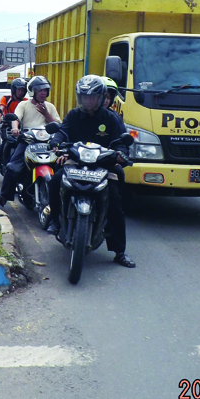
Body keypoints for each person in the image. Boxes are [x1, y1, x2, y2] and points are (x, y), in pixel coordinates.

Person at [48, 74, 135, 268]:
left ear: (101, 97)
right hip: (76, 162)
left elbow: (121, 141)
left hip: (103, 165)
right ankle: (55, 220)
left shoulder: (111, 118)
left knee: (115, 201)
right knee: (55, 181)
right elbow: (63, 131)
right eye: (84, 97)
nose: (88, 101)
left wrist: (121, 154)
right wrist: (56, 142)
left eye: (92, 97)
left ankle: (119, 251)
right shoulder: (73, 115)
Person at [0, 75, 60, 206]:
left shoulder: (50, 107)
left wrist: (46, 114)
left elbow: (58, 124)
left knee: (59, 168)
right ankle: (3, 197)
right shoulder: (23, 104)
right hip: (28, 141)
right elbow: (15, 118)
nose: (43, 93)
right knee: (12, 167)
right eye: (40, 90)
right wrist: (15, 129)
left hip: (46, 143)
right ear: (33, 91)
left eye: (45, 90)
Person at [0, 78, 28, 174]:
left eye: (22, 90)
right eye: (18, 89)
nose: (20, 92)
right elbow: (1, 107)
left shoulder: (26, 101)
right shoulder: (6, 98)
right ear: (14, 89)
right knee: (6, 141)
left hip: (22, 126)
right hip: (7, 125)